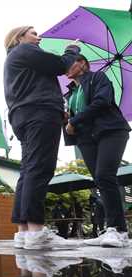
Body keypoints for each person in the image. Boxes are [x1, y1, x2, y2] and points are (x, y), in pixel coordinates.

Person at [3, 26, 80, 250]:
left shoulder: (16, 59)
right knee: (40, 168)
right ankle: (36, 230)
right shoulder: (24, 51)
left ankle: (24, 231)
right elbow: (60, 65)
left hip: (25, 114)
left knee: (28, 170)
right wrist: (72, 49)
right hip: (39, 113)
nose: (39, 37)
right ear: (19, 38)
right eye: (33, 33)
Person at [65, 54, 131, 248]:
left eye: (70, 62)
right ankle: (112, 229)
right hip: (87, 139)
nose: (66, 66)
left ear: (82, 64)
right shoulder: (70, 93)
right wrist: (67, 117)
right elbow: (72, 118)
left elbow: (102, 102)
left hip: (112, 131)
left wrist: (74, 121)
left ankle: (118, 230)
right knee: (100, 180)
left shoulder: (98, 78)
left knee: (104, 175)